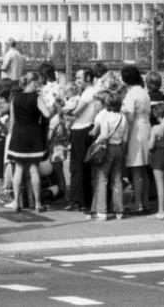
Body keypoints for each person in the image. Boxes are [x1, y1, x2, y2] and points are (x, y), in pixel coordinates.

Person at [6, 74, 49, 212]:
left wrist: (11, 136)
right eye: (37, 81)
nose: (38, 84)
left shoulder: (15, 98)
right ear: (33, 82)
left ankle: (16, 203)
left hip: (18, 134)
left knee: (18, 169)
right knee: (33, 169)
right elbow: (47, 114)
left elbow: (12, 121)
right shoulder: (37, 98)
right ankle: (37, 203)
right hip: (33, 135)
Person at [90, 92, 128, 220]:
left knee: (102, 178)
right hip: (119, 148)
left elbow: (104, 135)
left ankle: (102, 211)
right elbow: (125, 138)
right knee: (117, 179)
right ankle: (119, 210)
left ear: (107, 104)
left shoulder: (106, 117)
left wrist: (95, 143)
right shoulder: (123, 118)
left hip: (108, 148)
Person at [121, 65, 151, 214]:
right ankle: (144, 201)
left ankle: (137, 203)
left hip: (136, 131)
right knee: (144, 169)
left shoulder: (131, 94)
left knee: (136, 169)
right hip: (146, 127)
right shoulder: (144, 92)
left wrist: (125, 137)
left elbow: (129, 117)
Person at [66, 68, 97, 212]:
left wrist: (62, 108)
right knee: (79, 167)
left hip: (82, 130)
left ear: (88, 77)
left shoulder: (89, 92)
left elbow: (76, 112)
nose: (77, 81)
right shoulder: (86, 92)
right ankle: (81, 199)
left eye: (79, 77)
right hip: (81, 129)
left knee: (78, 167)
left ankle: (79, 200)